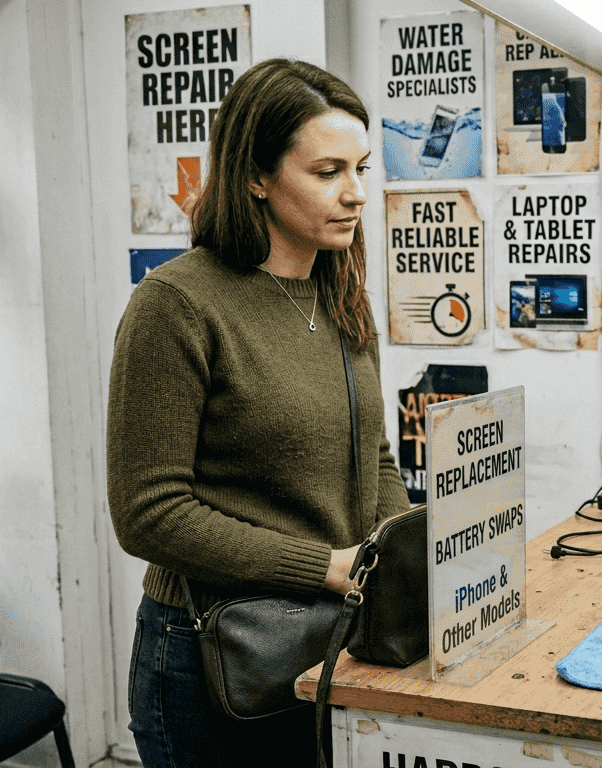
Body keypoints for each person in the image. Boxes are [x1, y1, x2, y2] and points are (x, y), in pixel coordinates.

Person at [106, 58, 410, 766]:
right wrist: (325, 566)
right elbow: (148, 511)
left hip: (326, 640)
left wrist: (400, 553)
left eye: (362, 168)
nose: (356, 194)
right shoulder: (176, 305)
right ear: (256, 177)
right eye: (328, 171)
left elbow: (376, 456)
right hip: (210, 653)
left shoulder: (340, 295)